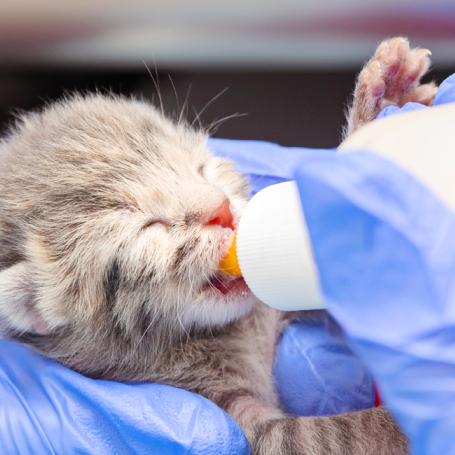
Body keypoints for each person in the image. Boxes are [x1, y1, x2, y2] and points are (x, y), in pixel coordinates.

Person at [1, 74, 455, 454]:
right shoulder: (144, 382)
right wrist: (408, 430)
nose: (218, 204)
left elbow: (329, 256)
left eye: (203, 168)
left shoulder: (218, 270)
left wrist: (368, 163)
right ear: (40, 309)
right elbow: (267, 442)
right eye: (149, 227)